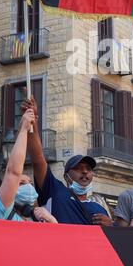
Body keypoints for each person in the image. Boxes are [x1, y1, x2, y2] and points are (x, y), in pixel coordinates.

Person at [21, 96, 112, 226]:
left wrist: (111, 225)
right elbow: (38, 160)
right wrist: (32, 122)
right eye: (78, 168)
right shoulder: (55, 190)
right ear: (66, 176)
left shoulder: (100, 209)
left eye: (88, 169)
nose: (85, 171)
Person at [0, 109, 57, 223]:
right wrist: (23, 130)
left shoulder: (38, 220)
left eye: (31, 183)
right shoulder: (1, 212)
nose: (29, 187)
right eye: (21, 183)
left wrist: (52, 222)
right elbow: (13, 172)